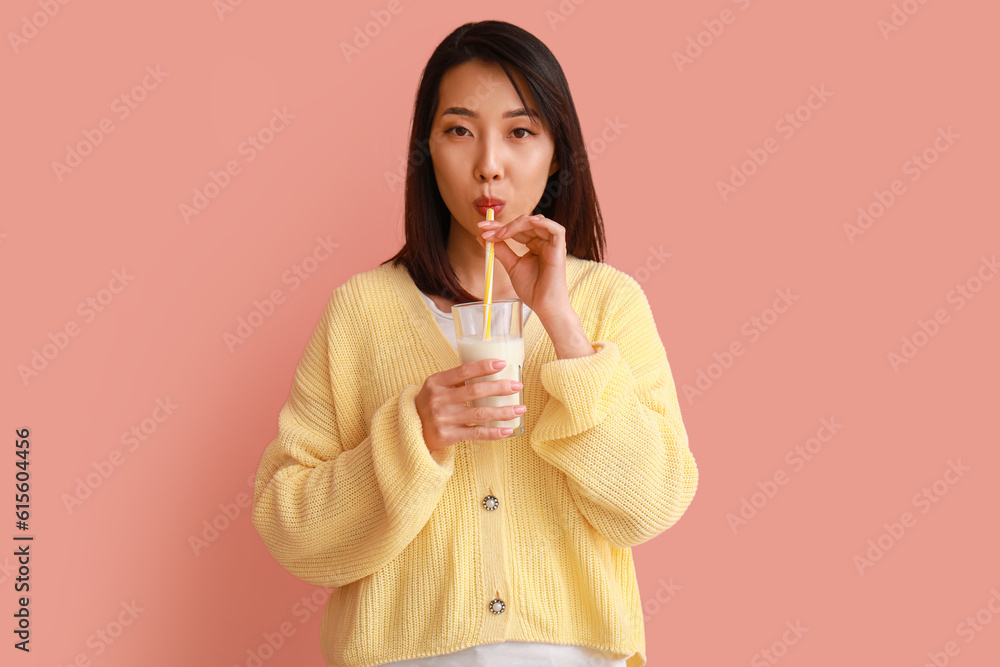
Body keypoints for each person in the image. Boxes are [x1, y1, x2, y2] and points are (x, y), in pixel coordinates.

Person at [251, 20, 698, 667]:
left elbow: (652, 504)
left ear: (557, 151)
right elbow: (290, 530)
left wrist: (564, 328)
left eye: (521, 131)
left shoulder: (608, 304)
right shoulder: (363, 310)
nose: (489, 163)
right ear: (426, 148)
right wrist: (415, 435)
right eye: (459, 130)